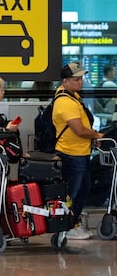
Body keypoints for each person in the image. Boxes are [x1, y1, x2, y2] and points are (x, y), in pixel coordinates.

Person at [53, 62, 104, 240]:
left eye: (81, 78)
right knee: (72, 193)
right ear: (65, 81)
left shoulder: (73, 96)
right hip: (72, 155)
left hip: (80, 153)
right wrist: (96, 135)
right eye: (76, 79)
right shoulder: (65, 102)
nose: (80, 82)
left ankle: (73, 223)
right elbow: (79, 130)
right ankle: (67, 227)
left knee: (82, 190)